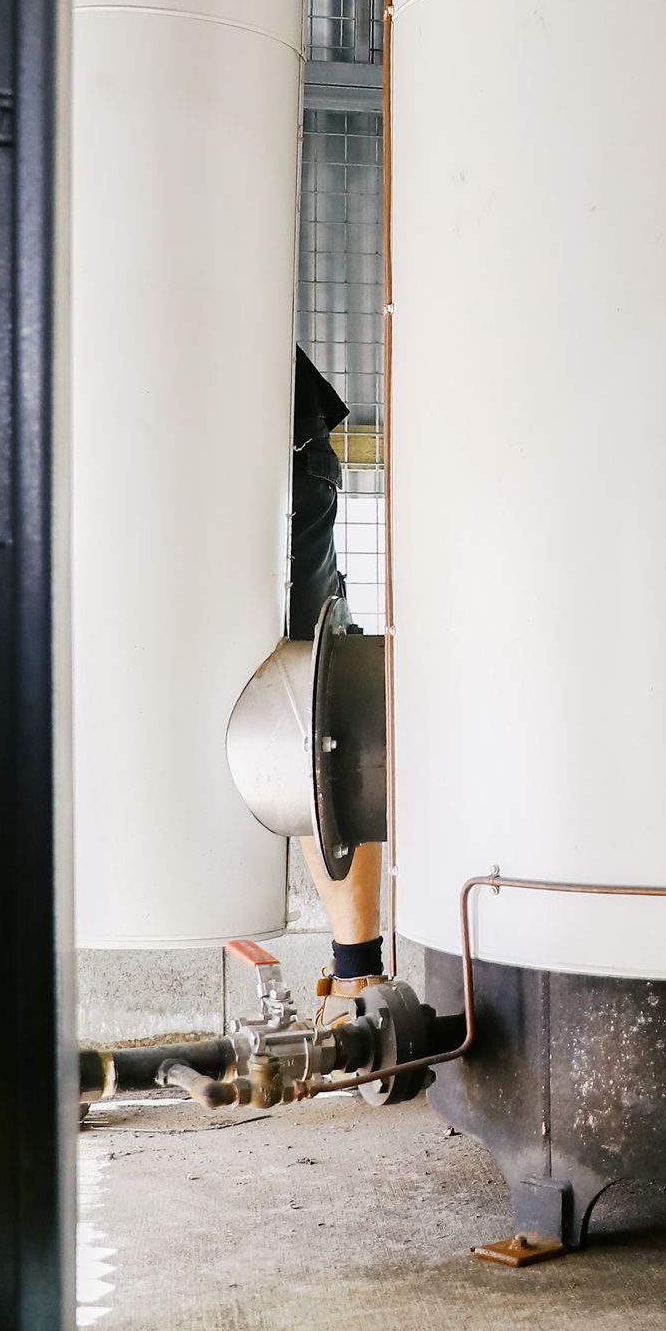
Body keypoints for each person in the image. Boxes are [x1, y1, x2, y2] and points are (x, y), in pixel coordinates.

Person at [291, 346, 386, 993]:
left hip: (280, 445)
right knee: (316, 696)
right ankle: (358, 979)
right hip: (290, 442)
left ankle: (357, 978)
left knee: (316, 697)